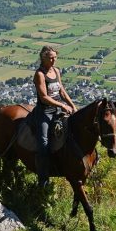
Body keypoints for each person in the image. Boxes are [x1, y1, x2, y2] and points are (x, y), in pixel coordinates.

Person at [33, 45, 76, 187]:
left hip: (58, 110)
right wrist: (62, 106)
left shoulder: (56, 71)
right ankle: (43, 180)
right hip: (44, 112)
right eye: (50, 58)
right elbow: (44, 97)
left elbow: (62, 92)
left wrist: (72, 105)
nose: (53, 60)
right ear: (43, 58)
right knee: (43, 144)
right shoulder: (40, 74)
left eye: (55, 57)